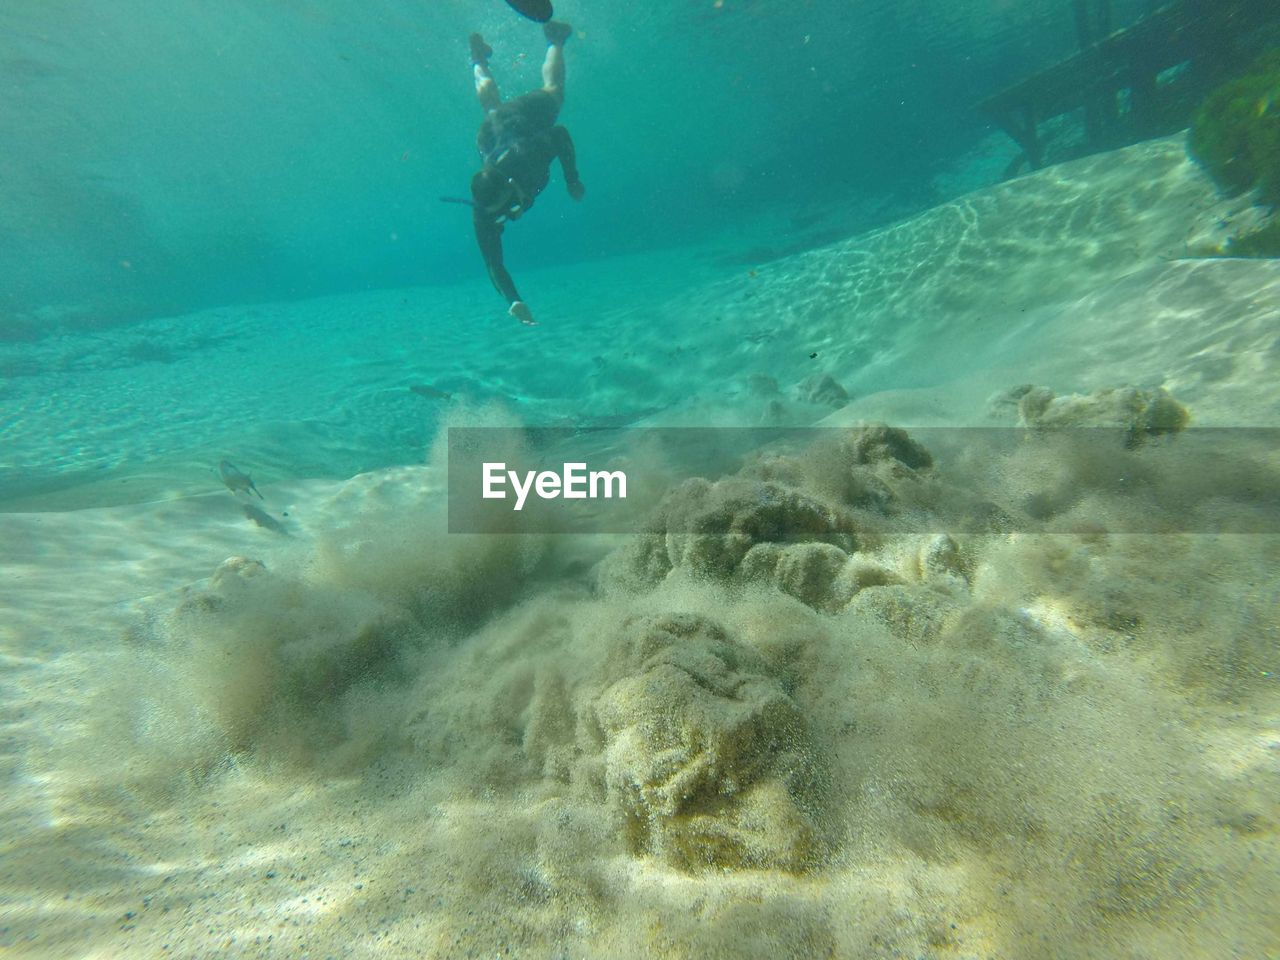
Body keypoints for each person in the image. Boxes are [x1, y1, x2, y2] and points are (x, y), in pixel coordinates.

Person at [468, 21, 584, 326]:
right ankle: (477, 60)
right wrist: (514, 300)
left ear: (509, 183)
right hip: (489, 137)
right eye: (497, 213)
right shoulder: (483, 215)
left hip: (519, 122)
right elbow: (494, 264)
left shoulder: (527, 160)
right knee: (491, 110)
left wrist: (572, 178)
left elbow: (559, 135)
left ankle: (554, 38)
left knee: (554, 93)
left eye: (505, 204)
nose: (505, 212)